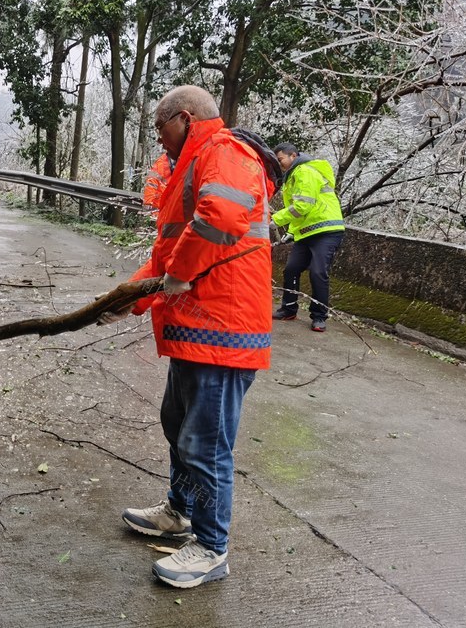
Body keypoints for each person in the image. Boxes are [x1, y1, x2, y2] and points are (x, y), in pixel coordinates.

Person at [100, 85, 276, 588]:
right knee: (177, 425)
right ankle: (179, 512)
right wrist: (123, 300)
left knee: (205, 443)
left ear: (184, 117)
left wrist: (180, 271)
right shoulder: (193, 163)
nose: (160, 141)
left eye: (161, 129)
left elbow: (219, 218)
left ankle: (212, 548)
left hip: (224, 332)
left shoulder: (224, 152)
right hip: (196, 329)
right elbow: (167, 257)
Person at [270, 142, 345, 332]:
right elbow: (300, 213)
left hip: (327, 231)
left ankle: (319, 316)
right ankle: (288, 308)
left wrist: (274, 220)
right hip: (307, 232)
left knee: (318, 272)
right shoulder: (294, 176)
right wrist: (291, 232)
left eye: (281, 160)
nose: (279, 164)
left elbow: (303, 206)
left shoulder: (305, 171)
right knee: (291, 269)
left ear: (293, 156)